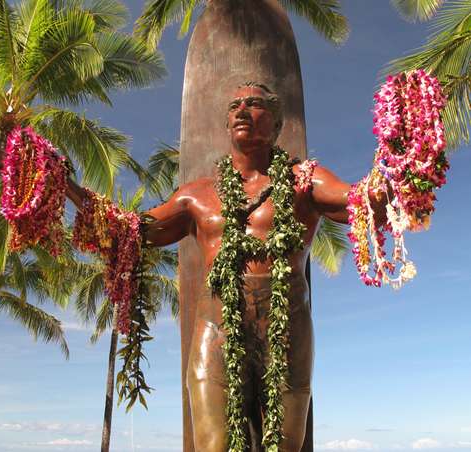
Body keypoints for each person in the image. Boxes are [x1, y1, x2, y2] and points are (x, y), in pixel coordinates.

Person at [67, 82, 385, 452]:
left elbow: (364, 203)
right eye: (235, 105)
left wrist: (405, 154)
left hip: (287, 329)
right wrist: (67, 186)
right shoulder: (195, 195)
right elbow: (130, 230)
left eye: (254, 104)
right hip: (215, 328)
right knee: (213, 445)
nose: (241, 110)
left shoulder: (305, 181)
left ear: (278, 123)